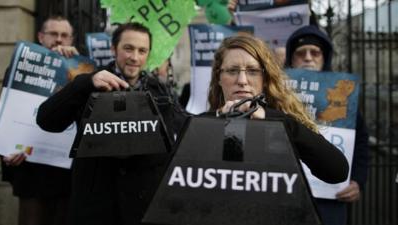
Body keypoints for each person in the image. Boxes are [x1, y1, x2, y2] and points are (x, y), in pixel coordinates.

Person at [36, 22, 187, 225]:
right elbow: (46, 120)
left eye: (142, 50)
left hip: (142, 210)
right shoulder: (91, 83)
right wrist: (86, 83)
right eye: (128, 48)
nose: (135, 57)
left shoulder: (161, 92)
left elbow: (185, 130)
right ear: (113, 49)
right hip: (95, 210)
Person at [206, 34, 349, 184]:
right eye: (232, 71)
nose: (242, 80)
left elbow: (337, 172)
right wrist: (215, 119)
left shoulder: (282, 121)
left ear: (265, 79)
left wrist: (276, 121)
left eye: (253, 71)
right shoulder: (204, 121)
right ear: (219, 78)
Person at [285, 25, 369, 225]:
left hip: (329, 201)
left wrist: (357, 181)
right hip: (285, 197)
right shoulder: (276, 93)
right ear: (291, 58)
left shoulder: (344, 98)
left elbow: (361, 142)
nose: (308, 58)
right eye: (300, 53)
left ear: (325, 58)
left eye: (315, 52)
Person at [0, 15, 78, 225]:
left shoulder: (80, 71)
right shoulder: (20, 67)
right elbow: (10, 116)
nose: (59, 40)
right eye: (53, 34)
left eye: (65, 35)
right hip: (32, 173)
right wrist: (7, 151)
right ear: (41, 37)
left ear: (71, 40)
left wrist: (77, 65)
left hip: (66, 177)